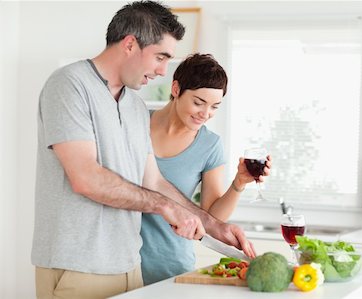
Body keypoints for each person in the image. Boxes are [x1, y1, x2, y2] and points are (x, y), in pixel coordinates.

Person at [31, 2, 255, 298]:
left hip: (128, 264)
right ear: (130, 44)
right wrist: (165, 207)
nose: (163, 70)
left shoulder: (135, 106)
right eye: (160, 57)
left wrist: (213, 225)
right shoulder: (70, 85)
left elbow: (154, 181)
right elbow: (85, 177)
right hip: (78, 264)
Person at [140, 53, 271, 285]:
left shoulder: (209, 145)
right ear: (176, 88)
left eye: (214, 107)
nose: (206, 113)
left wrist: (238, 183)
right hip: (123, 262)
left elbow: (211, 218)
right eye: (199, 102)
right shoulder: (137, 124)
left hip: (171, 264)